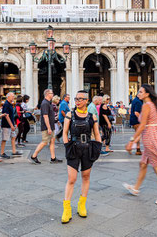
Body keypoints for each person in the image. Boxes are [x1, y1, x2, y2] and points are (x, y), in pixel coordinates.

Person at [123, 84, 157, 208]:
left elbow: (142, 126)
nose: (138, 93)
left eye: (141, 91)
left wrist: (132, 141)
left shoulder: (147, 106)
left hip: (150, 137)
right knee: (143, 164)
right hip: (156, 134)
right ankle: (136, 188)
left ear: (147, 94)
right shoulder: (156, 104)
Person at [61, 90, 102, 224]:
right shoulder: (70, 114)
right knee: (71, 179)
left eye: (80, 99)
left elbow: (96, 133)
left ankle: (81, 205)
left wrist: (98, 147)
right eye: (76, 99)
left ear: (86, 101)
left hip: (87, 148)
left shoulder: (92, 116)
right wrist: (67, 145)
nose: (77, 101)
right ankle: (66, 209)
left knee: (85, 177)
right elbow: (65, 132)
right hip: (73, 148)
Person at [30, 89, 62, 164]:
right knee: (44, 142)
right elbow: (45, 116)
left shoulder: (49, 103)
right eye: (52, 93)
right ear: (47, 94)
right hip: (47, 127)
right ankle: (34, 156)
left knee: (52, 141)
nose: (53, 94)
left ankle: (53, 158)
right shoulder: (45, 103)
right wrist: (49, 128)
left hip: (51, 126)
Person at [0, 92, 20, 159]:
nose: (13, 97)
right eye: (12, 96)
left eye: (13, 96)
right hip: (6, 124)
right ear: (8, 97)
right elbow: (6, 116)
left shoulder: (10, 104)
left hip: (11, 124)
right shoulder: (6, 104)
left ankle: (14, 151)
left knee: (13, 137)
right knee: (4, 139)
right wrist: (11, 125)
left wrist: (13, 124)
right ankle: (2, 152)